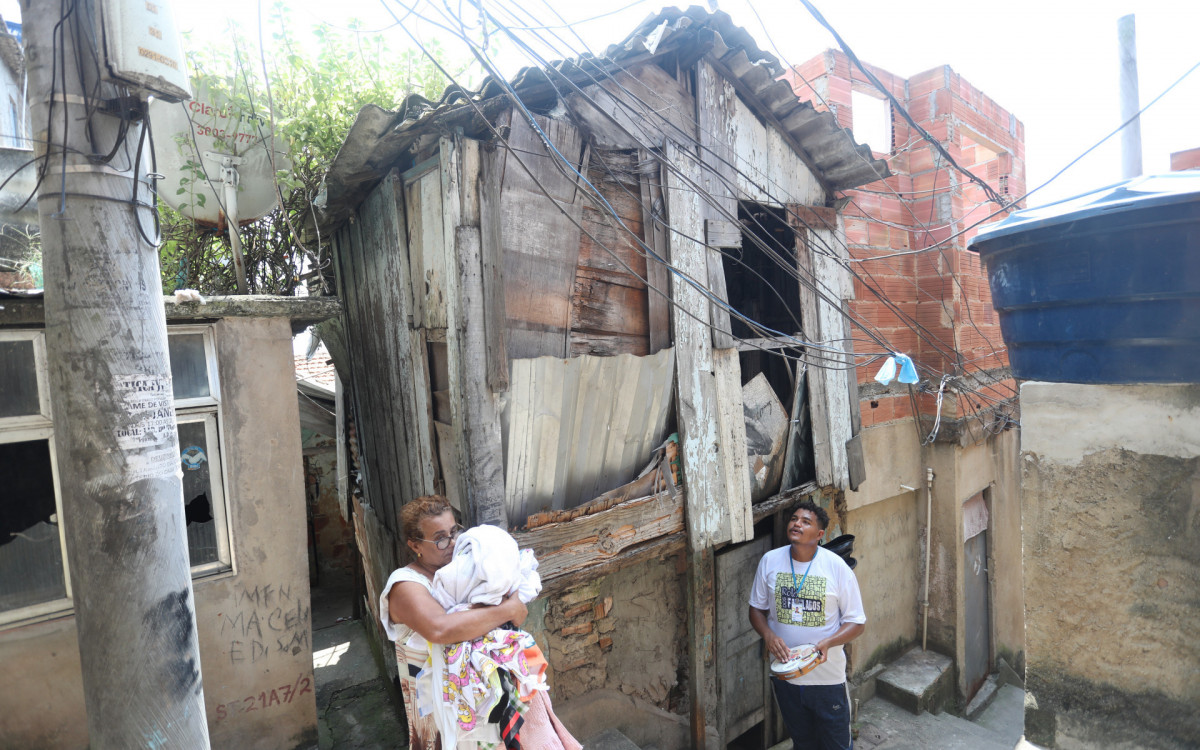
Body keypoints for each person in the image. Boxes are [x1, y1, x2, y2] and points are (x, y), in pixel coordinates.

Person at [382, 495, 527, 749]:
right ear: (415, 544)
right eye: (439, 539)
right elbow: (441, 629)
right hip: (434, 706)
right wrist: (509, 609)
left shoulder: (462, 570)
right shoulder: (405, 584)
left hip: (478, 701)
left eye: (454, 532)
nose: (451, 543)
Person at [749, 501, 866, 750]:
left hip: (827, 680)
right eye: (794, 519)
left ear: (819, 534)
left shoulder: (836, 568)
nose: (797, 523)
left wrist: (830, 642)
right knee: (803, 744)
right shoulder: (770, 562)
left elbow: (857, 622)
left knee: (836, 745)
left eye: (805, 521)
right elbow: (756, 610)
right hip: (786, 678)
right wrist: (768, 635)